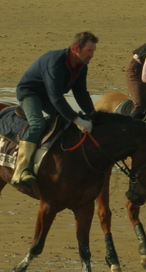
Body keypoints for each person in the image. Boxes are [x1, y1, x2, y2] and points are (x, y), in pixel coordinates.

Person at [12, 31, 99, 188]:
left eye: (93, 51)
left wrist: (93, 116)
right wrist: (77, 120)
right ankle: (21, 170)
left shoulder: (81, 66)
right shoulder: (55, 63)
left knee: (63, 121)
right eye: (89, 51)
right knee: (38, 124)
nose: (92, 55)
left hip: (48, 96)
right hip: (30, 93)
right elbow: (56, 98)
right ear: (76, 48)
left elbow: (81, 94)